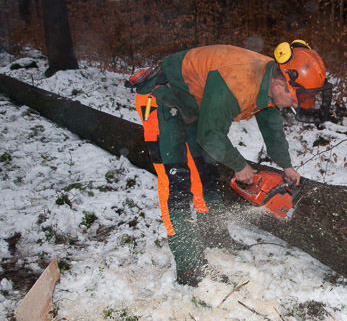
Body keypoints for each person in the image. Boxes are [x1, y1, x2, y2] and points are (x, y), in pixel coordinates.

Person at [131, 40, 331, 286]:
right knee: (177, 181)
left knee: (206, 170)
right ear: (280, 84)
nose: (296, 104)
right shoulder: (239, 83)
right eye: (295, 98)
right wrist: (240, 165)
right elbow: (210, 135)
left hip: (191, 102)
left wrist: (286, 165)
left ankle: (214, 235)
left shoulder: (270, 80)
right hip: (161, 95)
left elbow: (272, 127)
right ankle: (189, 266)